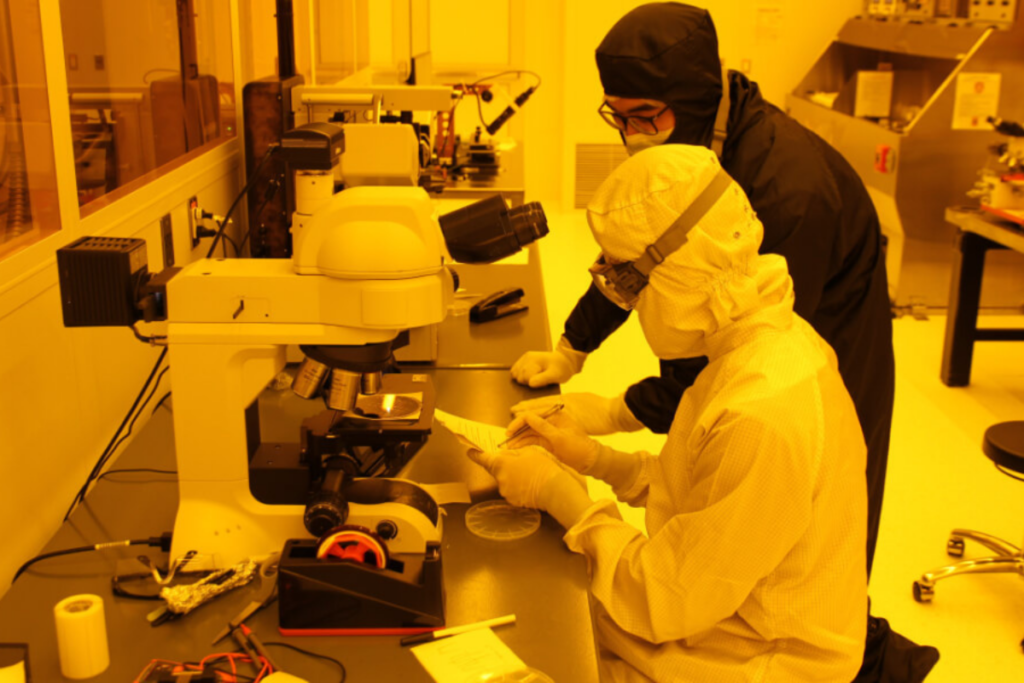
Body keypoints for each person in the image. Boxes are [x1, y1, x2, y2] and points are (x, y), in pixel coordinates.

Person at [510, 2, 894, 579]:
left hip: (828, 349)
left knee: (806, 549)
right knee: (718, 520)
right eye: (617, 117)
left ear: (690, 102)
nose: (632, 137)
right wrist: (572, 347)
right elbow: (639, 253)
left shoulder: (786, 190)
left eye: (645, 117)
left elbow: (736, 357)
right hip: (744, 366)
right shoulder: (686, 146)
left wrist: (618, 412)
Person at [473, 145, 868, 682]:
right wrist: (590, 457)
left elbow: (665, 599)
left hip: (754, 664)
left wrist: (560, 495)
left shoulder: (762, 410)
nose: (628, 302)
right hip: (718, 620)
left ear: (683, 273)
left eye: (629, 283)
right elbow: (693, 492)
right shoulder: (757, 347)